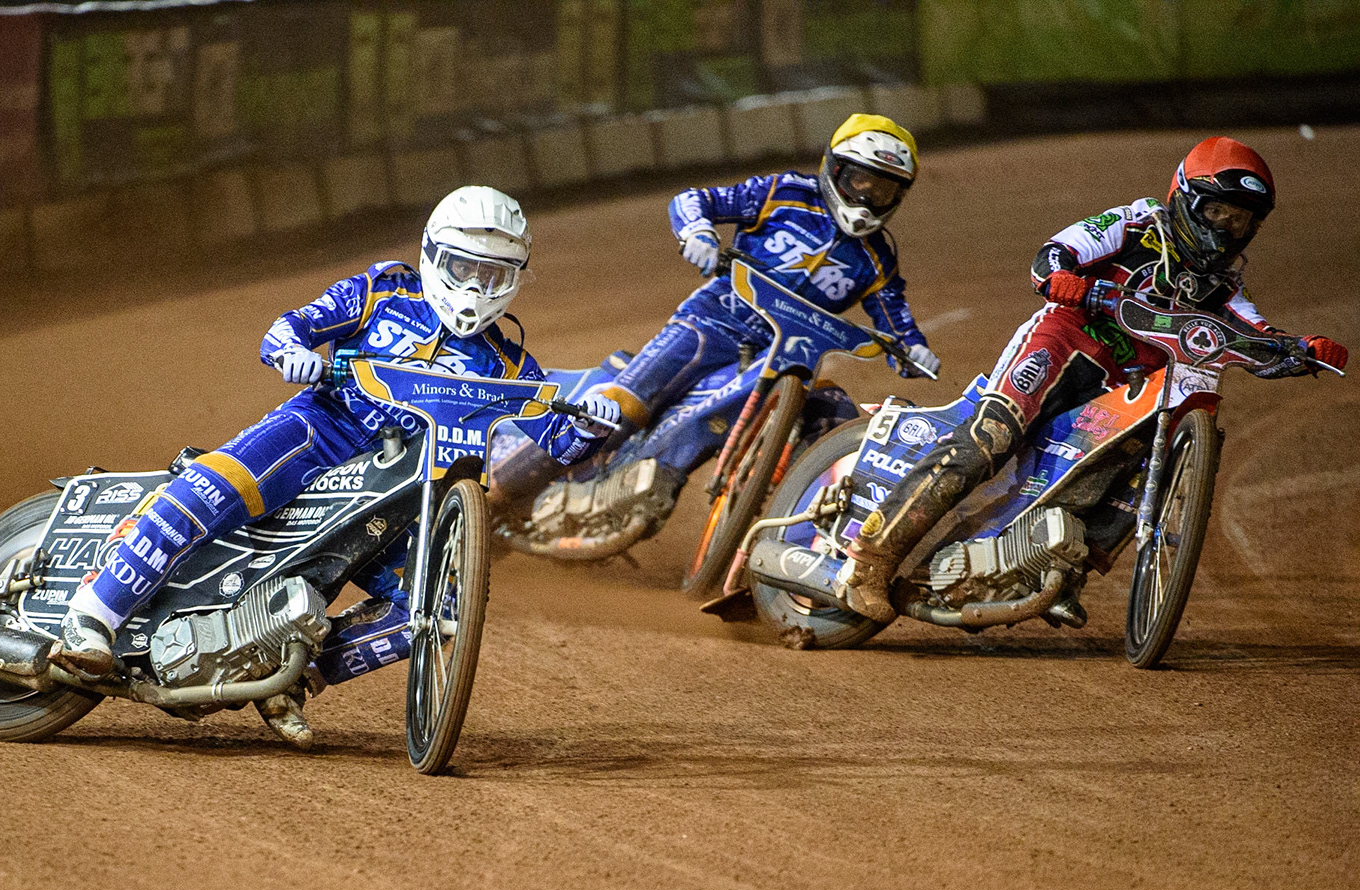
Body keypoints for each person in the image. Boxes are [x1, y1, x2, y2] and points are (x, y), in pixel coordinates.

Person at [50, 186, 620, 745]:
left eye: (491, 275)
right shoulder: (382, 291)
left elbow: (561, 444)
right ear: (431, 255)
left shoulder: (508, 364)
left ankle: (291, 680)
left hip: (395, 492)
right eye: (462, 267)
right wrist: (293, 353)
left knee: (444, 605)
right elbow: (288, 328)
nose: (474, 287)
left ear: (514, 280)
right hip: (321, 430)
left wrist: (593, 424)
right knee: (213, 488)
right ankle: (92, 617)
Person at [835, 136, 1349, 623]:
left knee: (1133, 466)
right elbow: (1056, 253)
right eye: (1218, 212)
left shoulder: (1226, 286)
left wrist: (1303, 350)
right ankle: (870, 561)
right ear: (1185, 198)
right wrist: (1062, 279)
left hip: (1122, 384)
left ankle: (1053, 570)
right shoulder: (1136, 223)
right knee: (991, 436)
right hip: (1064, 341)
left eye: (1242, 220)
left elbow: (1258, 335)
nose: (1228, 229)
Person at [489, 113, 939, 516]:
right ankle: (498, 494)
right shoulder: (784, 194)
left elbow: (895, 318)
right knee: (621, 406)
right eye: (860, 181)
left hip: (785, 358)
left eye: (883, 189)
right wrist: (698, 233)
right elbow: (695, 200)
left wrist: (913, 349)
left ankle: (793, 534)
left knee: (833, 413)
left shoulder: (878, 259)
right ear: (834, 170)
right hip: (713, 322)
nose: (867, 197)